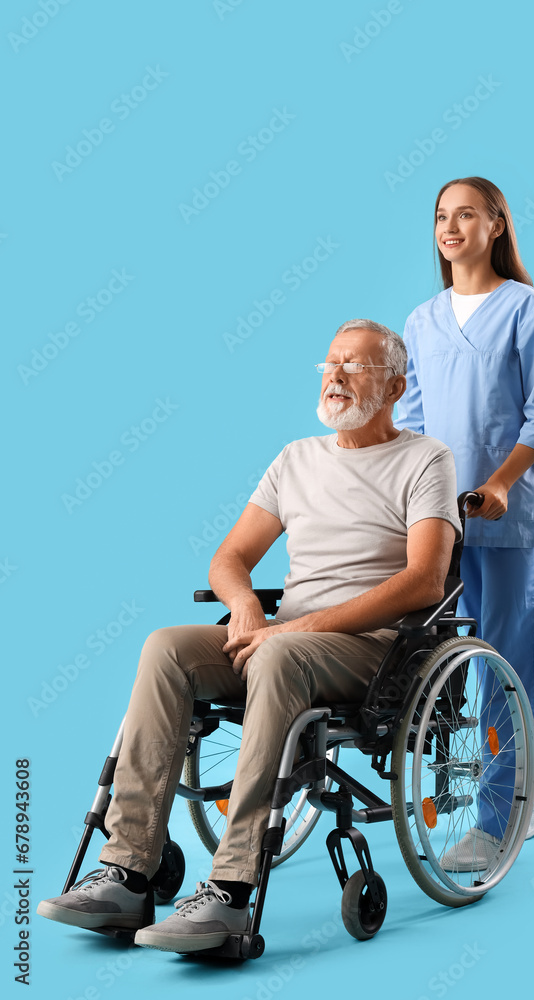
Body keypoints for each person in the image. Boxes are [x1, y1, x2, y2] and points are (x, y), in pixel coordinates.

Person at [38, 319, 461, 954]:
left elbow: (426, 580)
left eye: (356, 366)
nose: (336, 375)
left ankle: (231, 891)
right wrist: (242, 608)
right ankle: (127, 872)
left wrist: (302, 626)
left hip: (375, 648)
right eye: (329, 364)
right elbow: (231, 557)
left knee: (281, 653)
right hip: (282, 642)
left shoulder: (426, 459)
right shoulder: (296, 458)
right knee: (167, 647)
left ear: (396, 385)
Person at [395, 176, 534, 862]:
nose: (450, 226)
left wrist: (497, 484)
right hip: (435, 524)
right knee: (439, 661)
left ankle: (499, 817)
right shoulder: (420, 320)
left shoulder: (527, 309)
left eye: (465, 214)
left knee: (499, 666)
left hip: (503, 521)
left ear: (495, 225)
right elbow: (408, 422)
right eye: (441, 215)